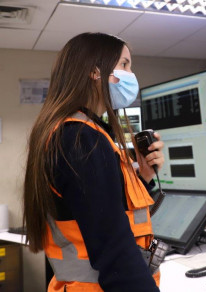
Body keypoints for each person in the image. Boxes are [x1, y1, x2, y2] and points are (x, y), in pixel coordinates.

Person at [23, 32, 165, 291]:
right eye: (124, 65)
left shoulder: (79, 132)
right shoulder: (81, 139)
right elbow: (114, 246)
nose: (130, 74)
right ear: (94, 72)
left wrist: (142, 177)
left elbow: (102, 213)